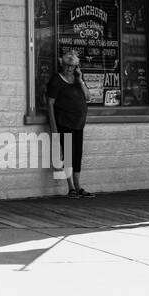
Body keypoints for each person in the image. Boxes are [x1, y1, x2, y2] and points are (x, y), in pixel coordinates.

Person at [45, 50, 91, 198]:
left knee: (78, 155)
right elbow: (50, 104)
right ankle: (70, 186)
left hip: (79, 124)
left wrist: (81, 79)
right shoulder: (56, 80)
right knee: (69, 155)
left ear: (77, 67)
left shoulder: (77, 80)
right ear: (62, 64)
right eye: (67, 65)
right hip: (65, 122)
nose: (69, 68)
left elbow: (88, 97)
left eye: (72, 66)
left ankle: (78, 186)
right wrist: (54, 127)